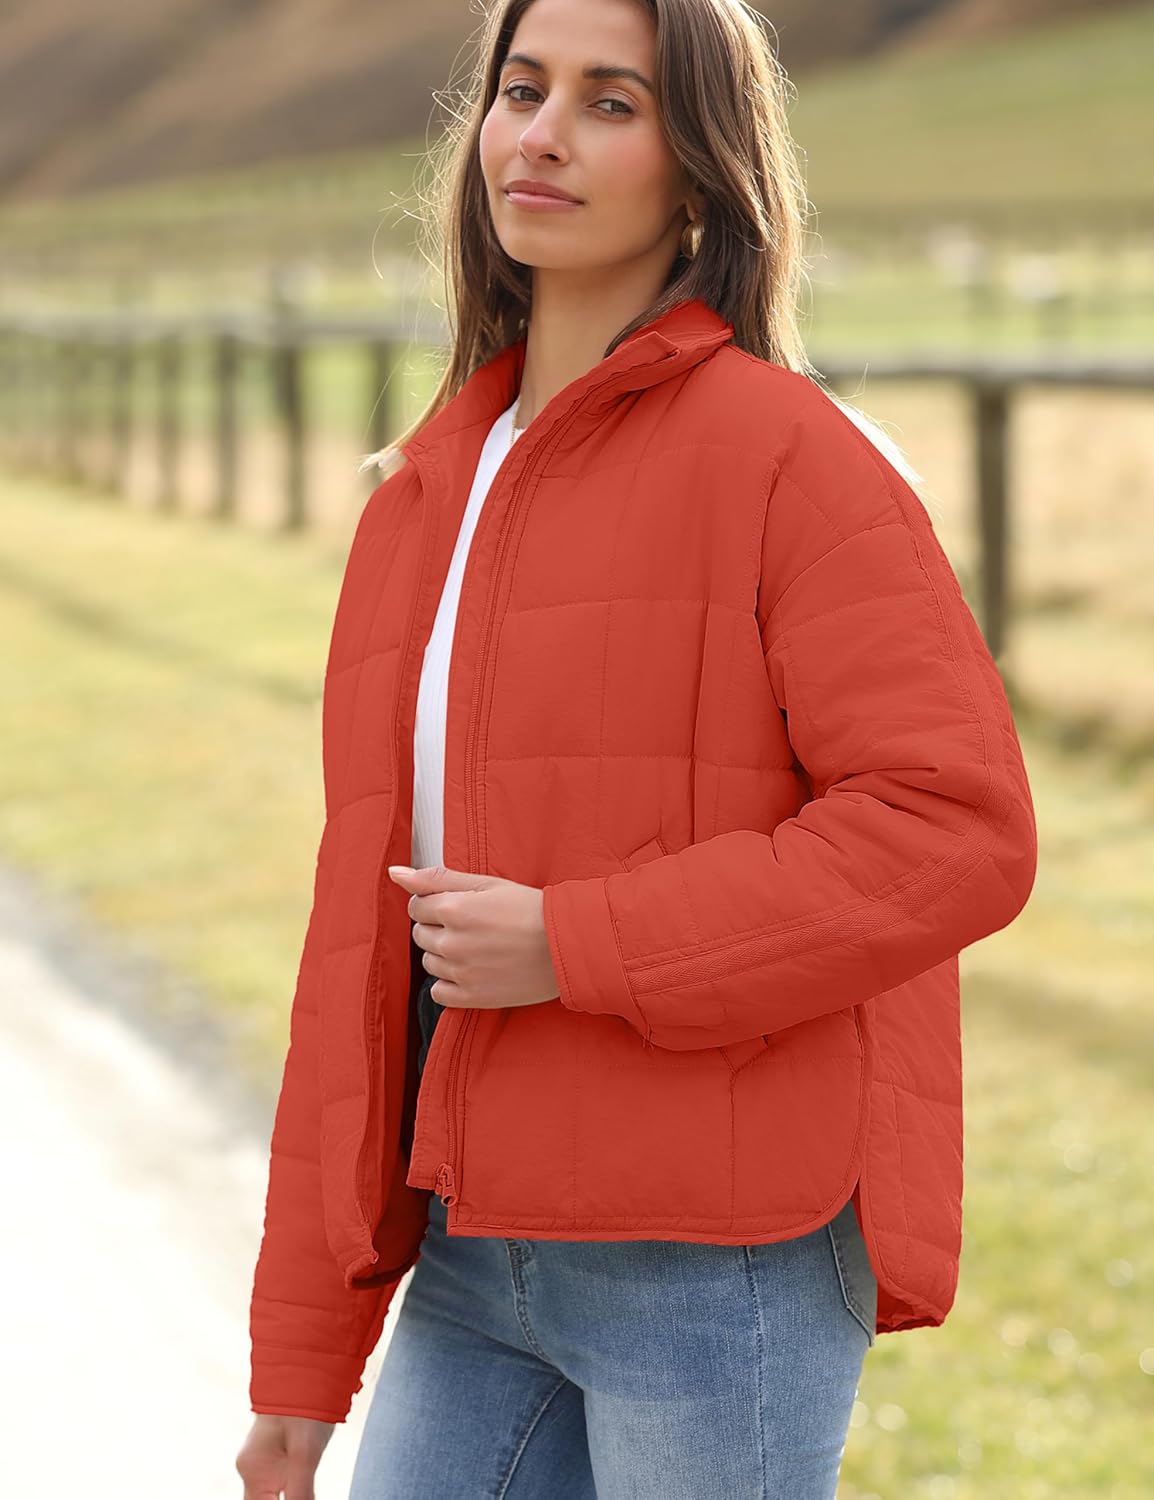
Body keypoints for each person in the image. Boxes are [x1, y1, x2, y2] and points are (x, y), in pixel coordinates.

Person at [235, 1, 1038, 1496]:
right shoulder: (418, 499)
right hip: (469, 1255)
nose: (540, 136)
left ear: (699, 174)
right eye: (520, 89)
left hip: (719, 1262)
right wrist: (302, 1347)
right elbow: (357, 944)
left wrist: (574, 943)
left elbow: (953, 829)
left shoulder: (792, 459)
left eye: (610, 103)